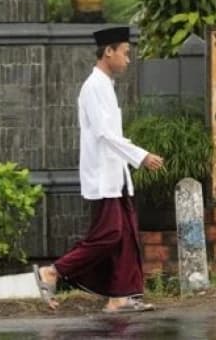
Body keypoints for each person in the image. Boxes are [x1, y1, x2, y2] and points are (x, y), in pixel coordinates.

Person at [34, 26, 164, 313]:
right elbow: (105, 134)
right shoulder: (94, 87)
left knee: (125, 233)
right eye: (125, 53)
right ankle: (53, 272)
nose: (128, 60)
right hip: (103, 176)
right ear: (109, 52)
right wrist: (140, 156)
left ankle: (119, 297)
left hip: (115, 175)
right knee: (110, 234)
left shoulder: (105, 85)